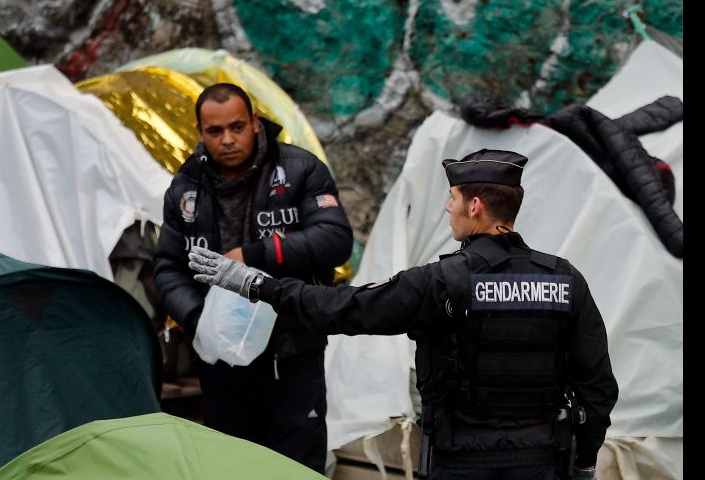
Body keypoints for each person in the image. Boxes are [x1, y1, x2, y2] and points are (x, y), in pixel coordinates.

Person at [188, 148, 619, 480]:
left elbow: (344, 309)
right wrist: (583, 463)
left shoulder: (442, 281)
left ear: (475, 207)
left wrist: (255, 284)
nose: (447, 208)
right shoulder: (565, 281)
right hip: (542, 459)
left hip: (460, 459)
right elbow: (597, 387)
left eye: (452, 198)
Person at [153, 83, 353, 473]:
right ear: (200, 131)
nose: (227, 139)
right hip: (222, 362)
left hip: (292, 351)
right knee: (233, 467)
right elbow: (166, 266)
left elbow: (335, 239)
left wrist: (253, 255)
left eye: (237, 127)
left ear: (255, 124)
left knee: (296, 467)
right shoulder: (185, 187)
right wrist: (197, 320)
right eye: (215, 131)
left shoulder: (300, 169)